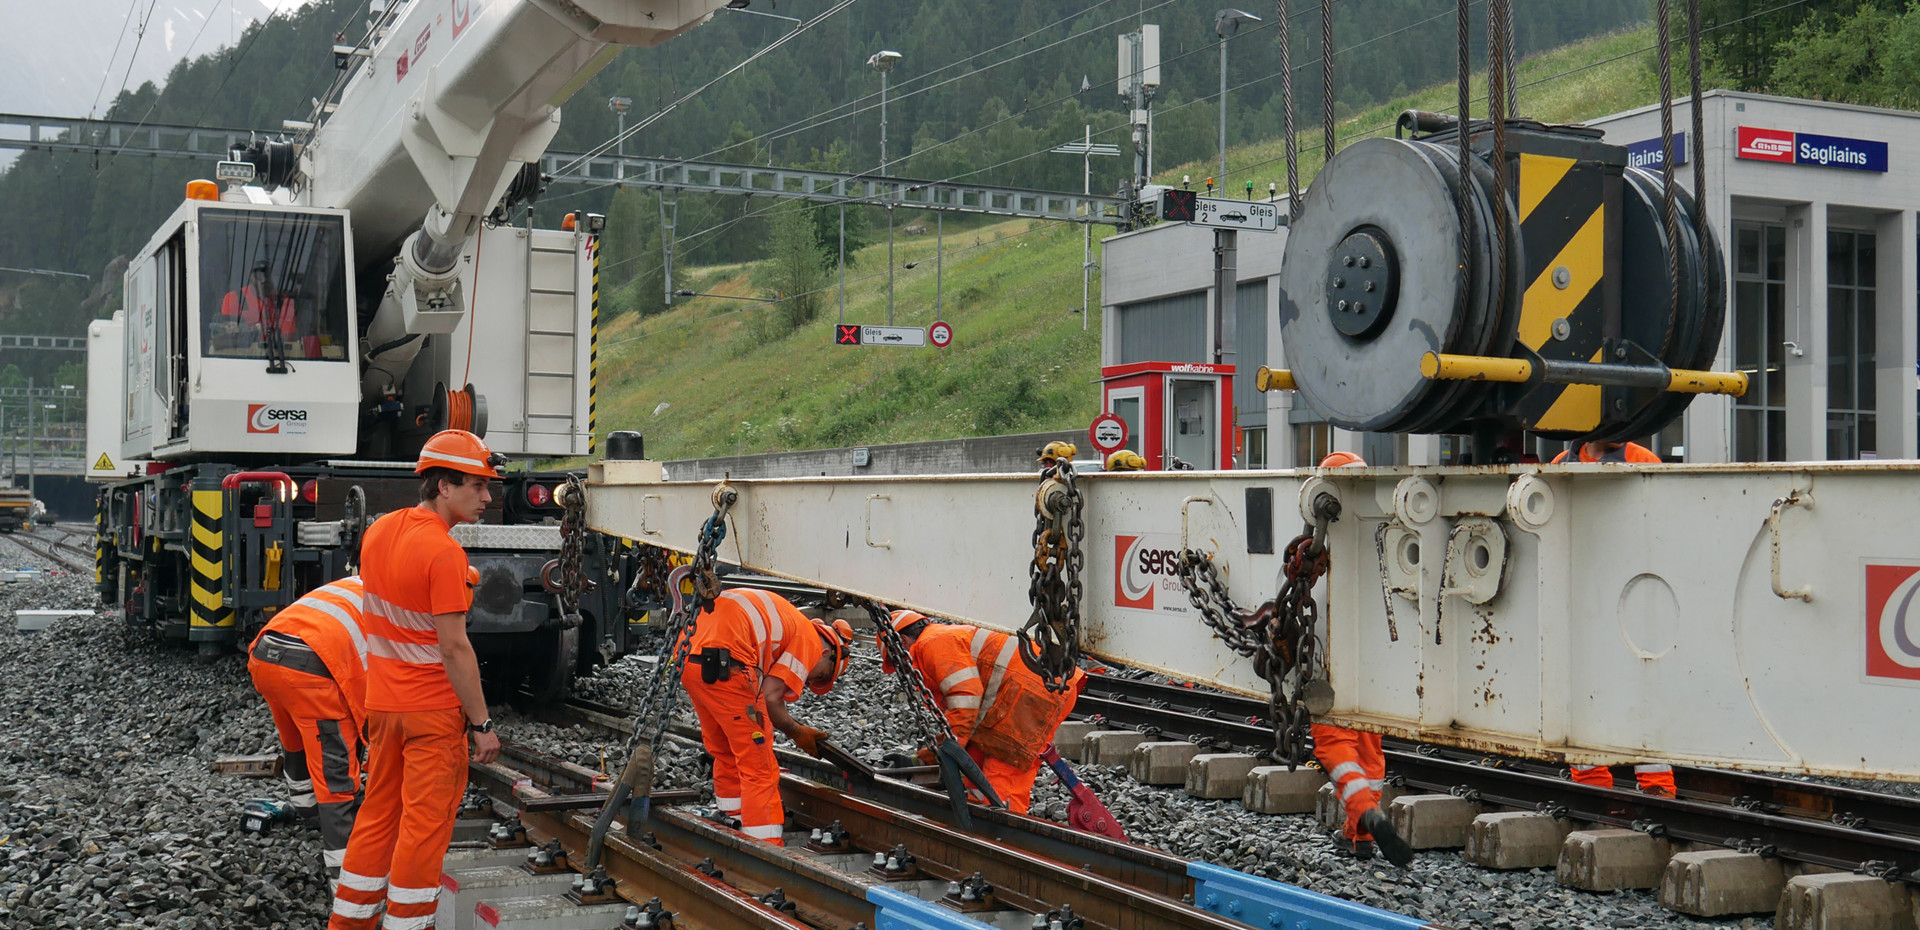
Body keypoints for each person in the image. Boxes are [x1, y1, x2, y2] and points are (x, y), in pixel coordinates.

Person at [330, 429, 502, 930]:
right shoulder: (444, 554)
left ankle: (349, 923)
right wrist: (482, 724)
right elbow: (453, 647)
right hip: (431, 715)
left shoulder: (379, 532)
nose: (487, 498)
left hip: (383, 708)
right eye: (477, 486)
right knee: (423, 830)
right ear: (444, 486)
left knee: (377, 817)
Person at [1550, 438, 1677, 796]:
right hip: (1579, 596)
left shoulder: (1642, 460)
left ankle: (1657, 786)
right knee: (1579, 691)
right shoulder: (1562, 464)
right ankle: (1592, 786)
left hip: (1633, 595)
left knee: (1644, 687)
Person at [681, 588, 854, 845]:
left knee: (726, 750)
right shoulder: (810, 639)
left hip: (689, 658)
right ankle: (765, 845)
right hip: (728, 664)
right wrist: (796, 731)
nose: (809, 681)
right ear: (827, 654)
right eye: (820, 676)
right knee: (759, 765)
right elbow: (771, 697)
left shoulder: (789, 621)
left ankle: (733, 821)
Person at [1310, 451, 1415, 866]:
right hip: (1374, 663)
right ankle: (1360, 837)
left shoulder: (1316, 546)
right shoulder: (1385, 534)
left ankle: (1366, 815)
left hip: (1328, 665)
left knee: (1335, 745)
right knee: (1370, 752)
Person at [880, 610, 1084, 816]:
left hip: (1034, 690)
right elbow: (962, 721)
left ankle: (1002, 831)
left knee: (1002, 777)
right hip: (1034, 689)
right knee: (975, 762)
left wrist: (949, 749)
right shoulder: (939, 640)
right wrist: (924, 759)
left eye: (895, 661)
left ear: (903, 642)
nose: (901, 670)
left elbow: (965, 698)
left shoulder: (931, 644)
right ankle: (978, 823)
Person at [248, 577, 369, 884]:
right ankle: (346, 880)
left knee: (296, 739)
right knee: (335, 773)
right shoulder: (398, 609)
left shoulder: (355, 585)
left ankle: (309, 813)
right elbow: (369, 698)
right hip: (310, 667)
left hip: (265, 654)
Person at [220, 260, 300, 350]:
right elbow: (229, 338)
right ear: (249, 275)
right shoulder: (233, 299)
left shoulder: (284, 302)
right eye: (258, 274)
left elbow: (287, 340)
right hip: (240, 356)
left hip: (277, 355)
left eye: (267, 273)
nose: (263, 279)